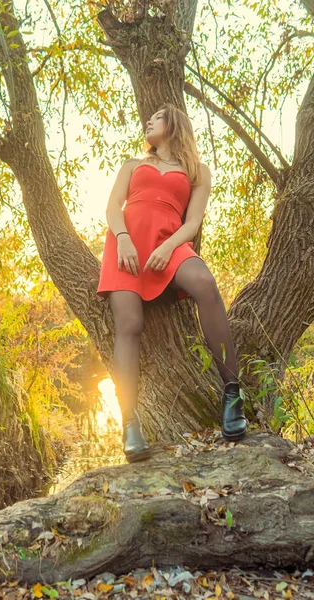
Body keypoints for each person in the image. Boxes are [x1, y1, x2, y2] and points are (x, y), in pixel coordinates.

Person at [97, 103, 248, 463]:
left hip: (170, 242)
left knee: (205, 285)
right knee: (129, 326)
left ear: (174, 124)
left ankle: (232, 393)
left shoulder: (197, 171)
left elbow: (192, 221)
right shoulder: (132, 165)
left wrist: (168, 247)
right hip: (126, 246)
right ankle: (130, 423)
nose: (148, 122)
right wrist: (124, 239)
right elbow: (113, 207)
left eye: (157, 117)